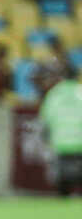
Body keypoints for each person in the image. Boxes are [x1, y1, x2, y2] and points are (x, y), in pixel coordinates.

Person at [38, 66, 82, 197]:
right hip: (80, 142)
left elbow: (45, 120)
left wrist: (46, 139)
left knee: (60, 174)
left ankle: (62, 193)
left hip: (59, 142)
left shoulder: (54, 94)